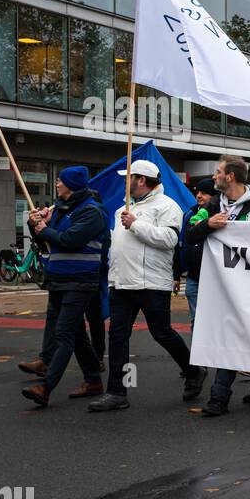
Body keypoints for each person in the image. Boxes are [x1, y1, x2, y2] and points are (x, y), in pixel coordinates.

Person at [88, 161, 206, 411]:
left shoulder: (167, 206)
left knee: (161, 332)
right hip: (122, 283)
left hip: (151, 283)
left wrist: (136, 224)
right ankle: (116, 392)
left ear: (141, 180)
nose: (124, 181)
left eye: (128, 177)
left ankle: (192, 370)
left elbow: (170, 239)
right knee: (118, 335)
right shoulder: (123, 208)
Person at [186, 155, 250, 417]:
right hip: (221, 285)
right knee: (234, 333)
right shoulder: (213, 205)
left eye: (218, 172)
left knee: (239, 333)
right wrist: (208, 224)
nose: (214, 176)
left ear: (231, 176)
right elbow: (190, 235)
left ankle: (223, 396)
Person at [21, 166, 108, 407]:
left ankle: (45, 387)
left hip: (80, 281)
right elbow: (45, 242)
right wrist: (34, 225)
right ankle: (93, 380)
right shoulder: (59, 210)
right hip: (59, 279)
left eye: (60, 180)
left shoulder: (92, 212)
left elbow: (70, 240)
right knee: (77, 333)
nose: (57, 184)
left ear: (72, 183)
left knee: (64, 334)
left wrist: (46, 229)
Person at [177, 177, 215, 328]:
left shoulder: (221, 216)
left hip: (215, 278)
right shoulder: (189, 214)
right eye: (197, 192)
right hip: (193, 277)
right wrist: (176, 274)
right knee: (196, 322)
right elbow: (179, 244)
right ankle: (196, 352)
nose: (199, 195)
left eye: (204, 193)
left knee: (212, 322)